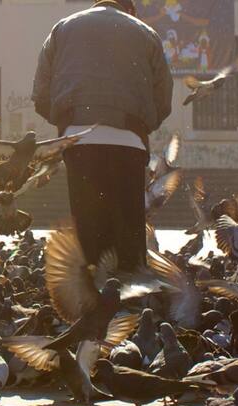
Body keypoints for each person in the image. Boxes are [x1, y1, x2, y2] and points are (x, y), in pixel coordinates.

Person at [32, 0, 173, 271]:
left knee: (88, 224)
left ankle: (92, 294)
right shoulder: (145, 32)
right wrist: (142, 125)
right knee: (129, 228)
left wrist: (66, 121)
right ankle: (130, 295)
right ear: (129, 9)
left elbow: (41, 93)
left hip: (78, 139)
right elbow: (163, 95)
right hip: (129, 142)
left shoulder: (62, 28)